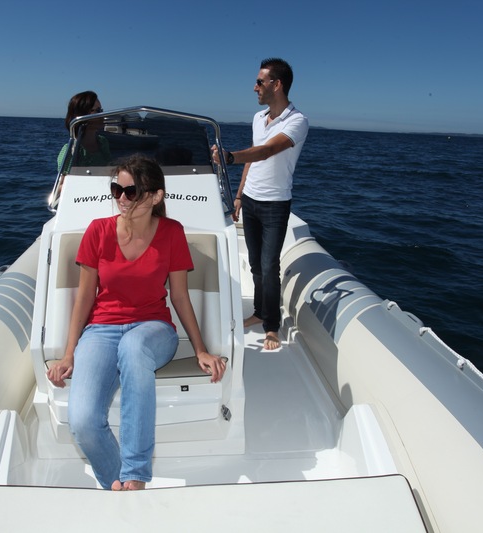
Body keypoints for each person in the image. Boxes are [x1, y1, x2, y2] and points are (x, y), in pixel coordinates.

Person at [46, 154, 227, 491]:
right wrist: (69, 354)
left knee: (133, 347)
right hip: (101, 330)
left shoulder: (172, 232)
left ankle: (136, 473)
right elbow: (85, 298)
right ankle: (117, 482)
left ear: (155, 196)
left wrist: (201, 350)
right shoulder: (98, 231)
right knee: (84, 421)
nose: (121, 198)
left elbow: (180, 297)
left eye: (131, 192)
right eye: (117, 189)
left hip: (153, 330)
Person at [212, 58, 308, 351]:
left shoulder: (297, 121)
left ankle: (272, 325)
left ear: (276, 85)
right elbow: (254, 159)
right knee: (255, 263)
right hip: (251, 200)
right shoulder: (257, 118)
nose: (254, 87)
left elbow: (267, 151)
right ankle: (258, 312)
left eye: (260, 82)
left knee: (269, 265)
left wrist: (229, 157)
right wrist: (239, 196)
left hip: (275, 204)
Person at [57, 90, 111, 170]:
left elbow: (109, 168)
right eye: (97, 111)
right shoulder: (69, 151)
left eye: (101, 110)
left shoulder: (103, 142)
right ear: (82, 115)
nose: (102, 115)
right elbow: (64, 180)